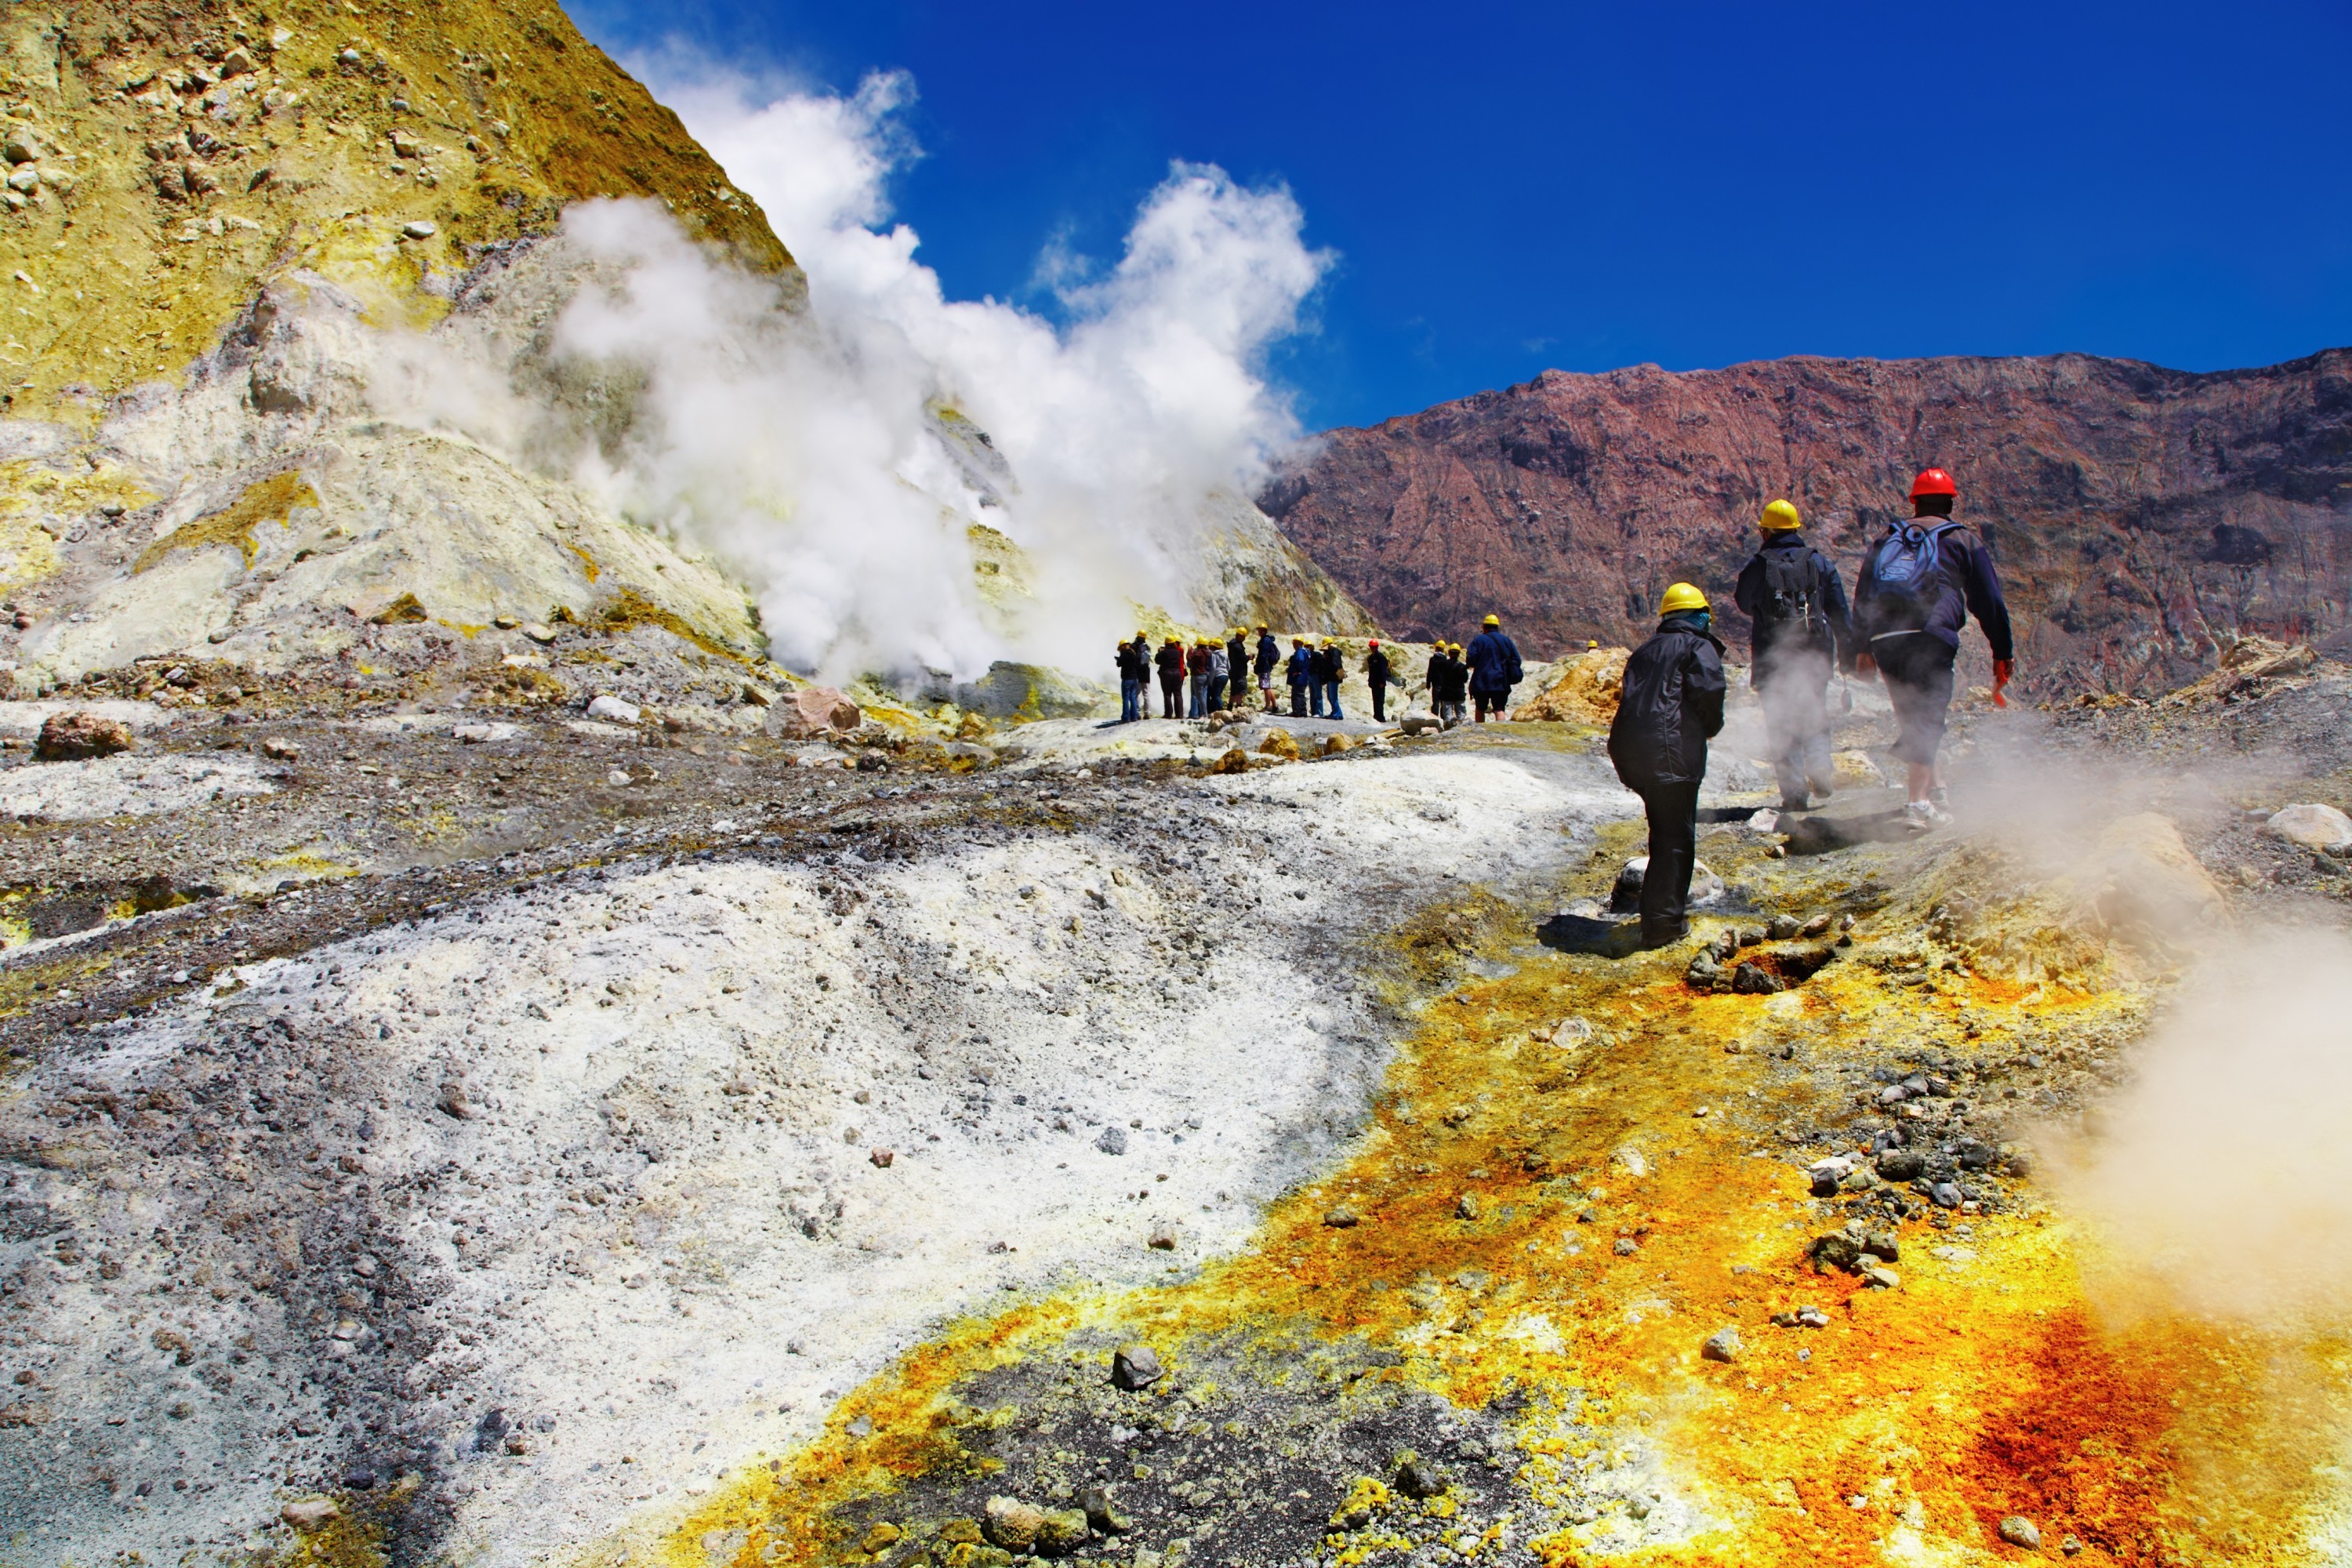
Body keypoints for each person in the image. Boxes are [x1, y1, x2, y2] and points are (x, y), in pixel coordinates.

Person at [1852, 467, 2015, 829]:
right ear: (1951, 502)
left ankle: (1935, 789)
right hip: (1930, 634)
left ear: (1915, 501)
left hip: (1885, 639)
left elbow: (1863, 593)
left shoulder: (1887, 538)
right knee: (1928, 717)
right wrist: (2002, 650)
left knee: (1914, 715)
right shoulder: (1962, 540)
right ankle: (1917, 805)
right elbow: (1988, 600)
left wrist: (1861, 647)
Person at [1607, 583, 1727, 947]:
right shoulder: (1697, 645)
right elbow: (1709, 691)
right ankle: (1663, 925)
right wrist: (1710, 728)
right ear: (1699, 615)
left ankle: (1656, 913)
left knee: (1663, 833)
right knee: (1675, 839)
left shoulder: (1646, 650)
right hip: (1670, 754)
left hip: (1632, 753)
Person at [1733, 499, 1855, 811]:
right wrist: (1848, 652)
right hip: (1814, 656)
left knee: (1780, 725)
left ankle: (1794, 794)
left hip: (1773, 658)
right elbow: (1839, 610)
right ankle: (1819, 765)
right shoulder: (1819, 563)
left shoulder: (1759, 566)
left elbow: (1744, 604)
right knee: (1813, 714)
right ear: (1796, 528)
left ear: (1766, 532)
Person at [1465, 613, 1523, 721]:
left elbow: (1470, 659)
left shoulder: (1478, 641)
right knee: (1499, 708)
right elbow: (1516, 659)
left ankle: (1480, 733)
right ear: (1497, 627)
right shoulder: (1506, 641)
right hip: (1500, 680)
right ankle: (1500, 733)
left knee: (1480, 708)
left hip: (1481, 681)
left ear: (1484, 627)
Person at [1116, 631, 1148, 722]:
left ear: (1122, 646)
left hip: (1127, 679)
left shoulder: (1124, 653)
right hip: (1135, 678)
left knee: (1126, 698)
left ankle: (1126, 717)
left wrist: (1119, 658)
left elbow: (1119, 664)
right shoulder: (1133, 653)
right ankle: (1134, 716)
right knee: (1133, 697)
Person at [1156, 636, 1186, 719]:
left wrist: (1159, 652)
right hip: (1177, 673)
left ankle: (1168, 714)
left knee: (1167, 694)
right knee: (1178, 694)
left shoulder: (1164, 652)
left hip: (1166, 673)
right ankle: (1179, 714)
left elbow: (1157, 661)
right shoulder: (1178, 652)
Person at [1365, 640, 1393, 723]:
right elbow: (1371, 671)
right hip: (1374, 682)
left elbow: (1383, 670)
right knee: (1375, 699)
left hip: (1380, 683)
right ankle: (1376, 715)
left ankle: (1381, 716)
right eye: (1371, 647)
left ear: (1377, 647)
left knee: (1380, 700)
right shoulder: (1371, 658)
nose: (1373, 649)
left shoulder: (1381, 657)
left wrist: (1382, 682)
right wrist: (1370, 681)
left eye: (1374, 647)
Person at [1254, 625, 1280, 712]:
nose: (1259, 632)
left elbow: (1263, 655)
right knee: (1267, 687)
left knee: (1266, 687)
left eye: (1261, 630)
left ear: (1264, 631)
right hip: (1266, 666)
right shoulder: (1267, 640)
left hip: (1264, 666)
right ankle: (1275, 706)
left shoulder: (1265, 640)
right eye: (1259, 630)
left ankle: (1268, 706)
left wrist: (1258, 665)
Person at [1319, 637, 1345, 720]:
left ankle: (1337, 714)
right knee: (1330, 697)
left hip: (1333, 678)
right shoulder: (1331, 652)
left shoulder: (1334, 653)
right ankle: (1336, 712)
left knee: (1333, 697)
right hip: (1331, 678)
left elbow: (1335, 665)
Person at [1287, 637, 1313, 717]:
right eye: (1294, 643)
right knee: (1301, 695)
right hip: (1304, 677)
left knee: (1296, 695)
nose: (1294, 645)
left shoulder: (1300, 652)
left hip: (1299, 678)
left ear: (1300, 644)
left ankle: (1296, 712)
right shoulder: (1306, 652)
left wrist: (1297, 671)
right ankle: (1303, 712)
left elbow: (1300, 661)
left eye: (1295, 643)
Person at [1225, 627, 1250, 713]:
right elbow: (1242, 659)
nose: (1244, 638)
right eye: (1243, 636)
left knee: (1233, 690)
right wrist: (1249, 657)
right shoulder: (1238, 646)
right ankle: (1238, 708)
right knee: (1240, 690)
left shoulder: (1232, 644)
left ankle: (1229, 707)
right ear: (1239, 636)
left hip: (1233, 671)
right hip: (1240, 671)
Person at [1187, 639, 1212, 719]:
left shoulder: (1199, 653)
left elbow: (1190, 659)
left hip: (1198, 675)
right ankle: (1203, 713)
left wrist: (1189, 652)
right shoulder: (1208, 653)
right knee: (1203, 694)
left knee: (1198, 695)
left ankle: (1201, 714)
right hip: (1205, 675)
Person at [1206, 638, 1229, 712]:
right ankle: (1214, 709)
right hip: (1225, 676)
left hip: (1218, 676)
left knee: (1216, 695)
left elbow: (1213, 667)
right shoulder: (1225, 654)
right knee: (1218, 694)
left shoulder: (1214, 655)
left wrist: (1211, 681)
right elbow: (1229, 666)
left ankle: (1221, 710)